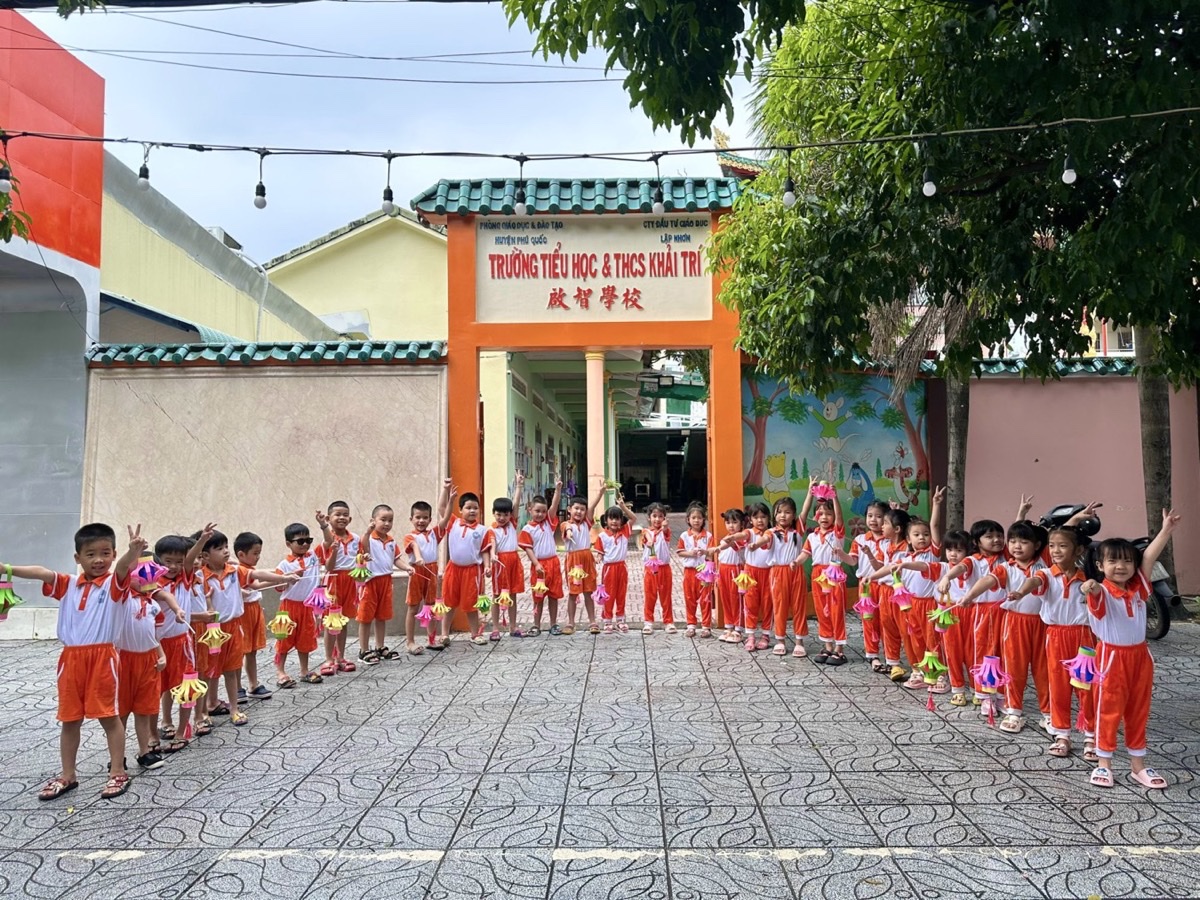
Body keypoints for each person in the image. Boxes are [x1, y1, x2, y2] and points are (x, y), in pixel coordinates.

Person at [5, 523, 144, 800]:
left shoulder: (114, 584)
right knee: (70, 719)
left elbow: (123, 568)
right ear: (77, 557)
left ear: (114, 554)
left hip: (103, 658)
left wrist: (133, 552)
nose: (99, 560)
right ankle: (68, 775)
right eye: (91, 554)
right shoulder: (68, 584)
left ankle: (118, 771)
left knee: (108, 716)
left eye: (105, 553)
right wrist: (6, 569)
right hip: (71, 660)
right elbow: (42, 572)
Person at [1079, 509, 1179, 789]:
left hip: (1140, 657)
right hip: (1111, 658)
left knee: (1138, 710)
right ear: (1100, 565)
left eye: (1126, 561)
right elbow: (1093, 591)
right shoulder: (1102, 591)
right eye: (1113, 561)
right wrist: (1089, 587)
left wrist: (1166, 530)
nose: (1120, 566)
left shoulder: (1139, 590)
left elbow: (1149, 558)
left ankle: (1138, 766)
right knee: (1108, 710)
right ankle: (1104, 764)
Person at [1007, 525, 1096, 759]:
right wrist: (1020, 592)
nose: (1056, 550)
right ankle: (1062, 734)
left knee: (1086, 688)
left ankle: (1091, 735)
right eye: (1052, 546)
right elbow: (1033, 582)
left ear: (1078, 550)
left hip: (1084, 638)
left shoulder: (1088, 577)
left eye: (1063, 546)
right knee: (1058, 686)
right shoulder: (1046, 574)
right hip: (1055, 636)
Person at [198, 528, 297, 727]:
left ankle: (234, 709)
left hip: (234, 627)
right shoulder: (200, 577)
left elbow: (256, 574)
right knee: (209, 671)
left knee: (232, 669)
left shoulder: (234, 570)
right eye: (220, 548)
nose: (226, 551)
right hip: (213, 630)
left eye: (226, 547)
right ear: (205, 556)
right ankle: (204, 711)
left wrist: (284, 578)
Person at [958, 519, 1050, 732]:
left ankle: (1048, 713)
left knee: (1043, 670)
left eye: (1024, 542)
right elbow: (987, 581)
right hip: (1014, 622)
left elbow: (1056, 541)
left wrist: (1077, 518)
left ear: (1037, 545)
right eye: (1013, 541)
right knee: (1014, 667)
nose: (1017, 546)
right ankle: (1013, 711)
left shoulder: (1044, 562)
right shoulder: (1006, 567)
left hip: (1042, 623)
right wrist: (969, 596)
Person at [115, 560, 185, 772]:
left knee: (144, 709)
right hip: (123, 660)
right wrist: (134, 554)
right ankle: (117, 756)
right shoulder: (122, 599)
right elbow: (119, 576)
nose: (149, 583)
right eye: (143, 578)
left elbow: (154, 636)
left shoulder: (154, 606)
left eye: (152, 578)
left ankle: (144, 751)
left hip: (148, 661)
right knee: (121, 711)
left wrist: (161, 655)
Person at [899, 530, 978, 706]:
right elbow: (923, 566)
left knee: (972, 651)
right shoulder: (942, 567)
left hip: (970, 611)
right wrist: (905, 565)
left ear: (968, 551)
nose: (953, 554)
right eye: (949, 550)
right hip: (947, 612)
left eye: (959, 550)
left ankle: (976, 689)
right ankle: (957, 688)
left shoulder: (973, 566)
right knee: (951, 650)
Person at [154, 533, 213, 752]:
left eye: (179, 562)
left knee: (187, 687)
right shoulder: (151, 584)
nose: (173, 566)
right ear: (158, 560)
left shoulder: (186, 577)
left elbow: (190, 560)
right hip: (157, 644)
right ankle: (154, 733)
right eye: (168, 561)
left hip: (182, 642)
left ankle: (182, 731)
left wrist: (202, 541)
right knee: (157, 689)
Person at [356, 504, 415, 664]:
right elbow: (363, 546)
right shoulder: (369, 538)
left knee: (382, 616)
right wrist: (368, 531)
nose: (387, 523)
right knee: (365, 618)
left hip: (386, 581)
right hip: (370, 582)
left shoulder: (391, 541)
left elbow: (396, 559)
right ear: (373, 520)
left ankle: (380, 646)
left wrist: (407, 567)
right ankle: (363, 650)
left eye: (390, 520)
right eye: (383, 520)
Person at [274, 522, 328, 686]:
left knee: (305, 639)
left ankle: (304, 670)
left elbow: (328, 543)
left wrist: (324, 525)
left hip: (307, 606)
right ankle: (280, 672)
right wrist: (290, 577)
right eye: (300, 541)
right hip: (288, 607)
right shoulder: (284, 565)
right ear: (288, 544)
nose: (305, 544)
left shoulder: (314, 557)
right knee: (283, 639)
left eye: (308, 540)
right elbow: (278, 587)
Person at [402, 480, 453, 655]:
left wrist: (449, 496)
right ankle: (410, 642)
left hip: (432, 570)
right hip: (417, 571)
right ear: (411, 519)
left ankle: (431, 639)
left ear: (430, 519)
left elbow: (446, 519)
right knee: (413, 606)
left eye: (425, 518)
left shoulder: (433, 534)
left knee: (431, 605)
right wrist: (418, 558)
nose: (421, 521)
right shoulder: (409, 536)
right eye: (418, 517)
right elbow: (414, 546)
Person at [441, 491, 495, 647]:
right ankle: (444, 634)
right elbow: (441, 508)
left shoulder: (483, 530)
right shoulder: (453, 523)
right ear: (460, 510)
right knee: (449, 602)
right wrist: (448, 494)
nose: (472, 511)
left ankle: (475, 634)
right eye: (468, 507)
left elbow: (484, 550)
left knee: (471, 604)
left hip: (472, 572)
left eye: (475, 508)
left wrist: (487, 566)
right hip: (453, 569)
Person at [801, 490, 848, 665]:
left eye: (828, 514)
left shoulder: (837, 533)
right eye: (820, 514)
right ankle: (828, 646)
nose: (824, 517)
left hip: (834, 573)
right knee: (822, 610)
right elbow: (805, 554)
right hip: (818, 574)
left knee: (836, 610)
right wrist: (795, 562)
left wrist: (834, 497)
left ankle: (839, 649)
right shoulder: (812, 536)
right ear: (815, 516)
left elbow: (840, 517)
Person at [721, 502, 773, 652]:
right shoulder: (749, 532)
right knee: (749, 604)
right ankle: (750, 636)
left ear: (768, 518)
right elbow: (742, 535)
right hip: (750, 573)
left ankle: (765, 635)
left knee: (768, 604)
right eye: (756, 517)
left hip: (768, 573)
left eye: (763, 517)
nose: (760, 520)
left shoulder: (772, 533)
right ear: (750, 519)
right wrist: (733, 537)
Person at [315, 501, 360, 673]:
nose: (342, 518)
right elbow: (329, 566)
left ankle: (340, 656)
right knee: (331, 621)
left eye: (345, 515)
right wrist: (323, 526)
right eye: (337, 514)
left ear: (350, 518)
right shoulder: (328, 540)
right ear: (329, 518)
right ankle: (329, 659)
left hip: (350, 581)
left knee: (343, 620)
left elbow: (359, 557)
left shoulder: (355, 538)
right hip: (333, 581)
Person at [844, 500, 888, 672]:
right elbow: (852, 560)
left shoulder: (889, 540)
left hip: (884, 585)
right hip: (866, 586)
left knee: (886, 620)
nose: (873, 520)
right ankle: (873, 655)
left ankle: (890, 656)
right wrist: (840, 554)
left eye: (878, 516)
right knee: (868, 620)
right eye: (870, 516)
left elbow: (882, 567)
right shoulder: (860, 539)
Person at [518, 481, 563, 636]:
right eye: (537, 511)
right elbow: (528, 549)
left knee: (554, 596)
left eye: (543, 511)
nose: (540, 514)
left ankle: (553, 624)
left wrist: (557, 490)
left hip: (553, 563)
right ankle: (536, 625)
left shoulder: (549, 522)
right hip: (539, 566)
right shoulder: (527, 529)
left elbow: (554, 505)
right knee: (538, 597)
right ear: (530, 509)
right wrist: (536, 563)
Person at [233, 531, 272, 700]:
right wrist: (283, 578)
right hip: (243, 613)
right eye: (255, 553)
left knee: (252, 650)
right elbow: (256, 585)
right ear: (241, 554)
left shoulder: (248, 568)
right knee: (240, 651)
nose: (258, 557)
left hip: (255, 609)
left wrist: (284, 579)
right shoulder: (238, 570)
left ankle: (253, 684)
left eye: (259, 553)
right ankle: (237, 687)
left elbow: (257, 585)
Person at [562, 483, 605, 634]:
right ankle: (570, 622)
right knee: (573, 593)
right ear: (569, 509)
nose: (579, 512)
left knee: (589, 591)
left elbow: (592, 507)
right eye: (576, 508)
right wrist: (569, 532)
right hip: (573, 561)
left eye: (582, 509)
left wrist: (600, 493)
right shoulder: (565, 524)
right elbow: (567, 528)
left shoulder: (587, 523)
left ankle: (592, 621)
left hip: (587, 559)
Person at [768, 497, 806, 657]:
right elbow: (764, 540)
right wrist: (755, 545)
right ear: (774, 514)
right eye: (779, 512)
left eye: (787, 512)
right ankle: (780, 640)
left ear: (794, 515)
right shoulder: (770, 532)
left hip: (796, 570)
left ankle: (799, 641)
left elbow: (805, 511)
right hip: (778, 572)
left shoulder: (798, 530)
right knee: (780, 606)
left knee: (799, 606)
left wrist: (810, 492)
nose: (783, 515)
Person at [488, 480, 526, 640]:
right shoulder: (491, 529)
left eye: (505, 514)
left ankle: (513, 626)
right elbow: (492, 544)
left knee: (513, 594)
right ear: (493, 513)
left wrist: (519, 486)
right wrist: (493, 555)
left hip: (514, 561)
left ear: (510, 515)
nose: (502, 518)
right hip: (500, 563)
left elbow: (516, 504)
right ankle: (495, 628)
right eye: (499, 514)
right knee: (497, 595)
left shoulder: (512, 524)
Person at [593, 500, 634, 633]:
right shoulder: (602, 536)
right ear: (606, 520)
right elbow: (600, 552)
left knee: (621, 594)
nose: (614, 521)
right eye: (611, 518)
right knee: (608, 594)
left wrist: (623, 507)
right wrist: (598, 558)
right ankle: (607, 620)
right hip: (609, 569)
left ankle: (620, 619)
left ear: (621, 520)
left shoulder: (625, 531)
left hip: (622, 567)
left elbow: (633, 518)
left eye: (617, 518)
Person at [676, 502, 714, 638]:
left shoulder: (708, 536)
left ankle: (706, 626)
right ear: (688, 519)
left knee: (705, 599)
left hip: (704, 572)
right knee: (689, 598)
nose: (696, 520)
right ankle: (691, 624)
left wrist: (705, 554)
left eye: (699, 517)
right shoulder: (684, 536)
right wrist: (690, 553)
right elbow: (680, 552)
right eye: (693, 518)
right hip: (689, 571)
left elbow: (711, 554)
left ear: (704, 519)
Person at [639, 502, 675, 635]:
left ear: (664, 518)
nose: (657, 519)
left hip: (664, 568)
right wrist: (649, 541)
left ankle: (668, 622)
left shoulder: (666, 531)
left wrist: (664, 527)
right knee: (650, 596)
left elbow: (665, 531)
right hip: (650, 569)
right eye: (654, 516)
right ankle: (648, 622)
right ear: (649, 517)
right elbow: (647, 536)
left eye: (660, 516)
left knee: (666, 596)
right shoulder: (645, 532)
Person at [715, 508, 748, 643]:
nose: (731, 525)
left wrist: (719, 547)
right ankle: (728, 626)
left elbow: (733, 546)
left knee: (737, 600)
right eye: (728, 522)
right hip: (723, 570)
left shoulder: (741, 539)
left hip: (736, 571)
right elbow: (720, 557)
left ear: (742, 524)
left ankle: (738, 628)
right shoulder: (725, 538)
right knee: (726, 598)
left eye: (734, 522)